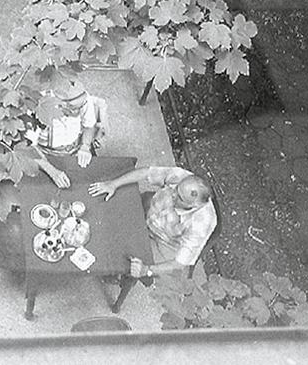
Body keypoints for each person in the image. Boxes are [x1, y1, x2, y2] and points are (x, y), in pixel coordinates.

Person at [88, 165, 217, 279]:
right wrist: (113, 184)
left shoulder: (202, 224)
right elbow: (146, 172)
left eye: (180, 198)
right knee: (106, 213)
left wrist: (146, 270)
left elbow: (180, 264)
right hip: (149, 209)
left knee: (127, 264)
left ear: (195, 205)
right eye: (176, 189)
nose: (173, 196)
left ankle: (114, 275)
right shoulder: (182, 177)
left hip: (162, 243)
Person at [27, 80, 106, 188]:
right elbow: (29, 148)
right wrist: (52, 171)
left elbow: (89, 125)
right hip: (46, 155)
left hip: (77, 148)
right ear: (60, 104)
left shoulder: (83, 100)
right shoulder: (36, 107)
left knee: (89, 183)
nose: (78, 112)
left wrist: (85, 146)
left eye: (81, 106)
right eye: (74, 108)